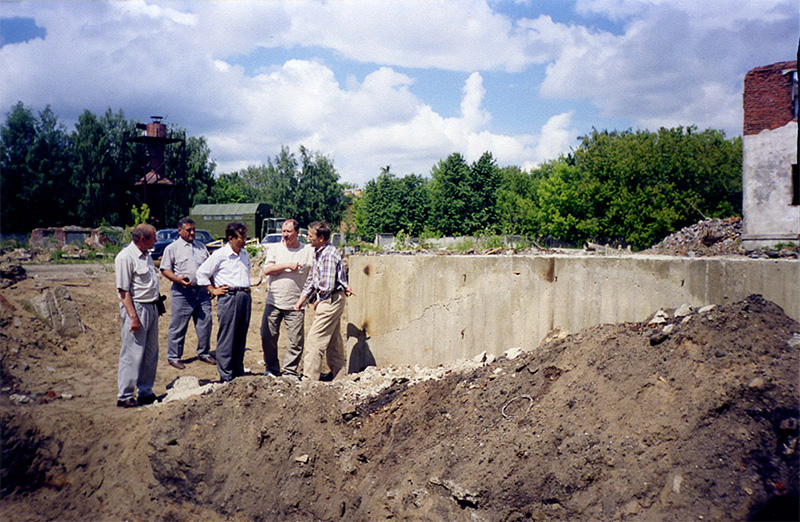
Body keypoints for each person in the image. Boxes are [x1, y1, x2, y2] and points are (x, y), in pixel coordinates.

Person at [294, 221, 353, 382]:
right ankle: (339, 374)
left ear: (321, 238)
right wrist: (302, 299)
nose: (308, 238)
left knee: (315, 340)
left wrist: (319, 300)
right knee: (333, 339)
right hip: (331, 298)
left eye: (311, 235)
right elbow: (312, 278)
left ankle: (309, 379)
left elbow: (326, 284)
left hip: (331, 299)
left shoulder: (328, 254)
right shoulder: (318, 252)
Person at [196, 222, 253, 383]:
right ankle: (226, 375)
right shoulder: (220, 255)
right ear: (230, 238)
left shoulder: (244, 254)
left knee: (240, 336)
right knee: (227, 336)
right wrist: (213, 290)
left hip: (244, 296)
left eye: (245, 236)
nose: (244, 240)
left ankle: (237, 370)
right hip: (229, 297)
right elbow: (201, 273)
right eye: (241, 237)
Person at [258, 219, 314, 378]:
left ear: (297, 233)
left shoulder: (307, 251)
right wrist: (286, 265)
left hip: (295, 303)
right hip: (274, 301)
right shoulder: (276, 249)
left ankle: (290, 371)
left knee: (296, 340)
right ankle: (272, 368)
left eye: (288, 232)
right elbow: (267, 269)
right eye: (283, 231)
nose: (285, 235)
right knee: (267, 335)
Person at [160, 217, 215, 370]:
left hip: (202, 293)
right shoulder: (172, 248)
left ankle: (203, 353)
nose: (192, 233)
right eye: (188, 230)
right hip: (182, 293)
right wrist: (178, 279)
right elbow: (164, 269)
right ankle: (174, 356)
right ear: (179, 231)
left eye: (193, 230)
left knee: (205, 323)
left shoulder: (201, 247)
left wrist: (211, 286)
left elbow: (209, 268)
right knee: (178, 326)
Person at [115, 224, 160, 408]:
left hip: (152, 307)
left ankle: (145, 391)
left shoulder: (147, 256)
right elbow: (123, 291)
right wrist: (133, 317)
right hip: (137, 309)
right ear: (143, 239)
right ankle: (125, 394)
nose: (156, 241)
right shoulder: (125, 257)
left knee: (150, 352)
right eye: (153, 237)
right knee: (132, 353)